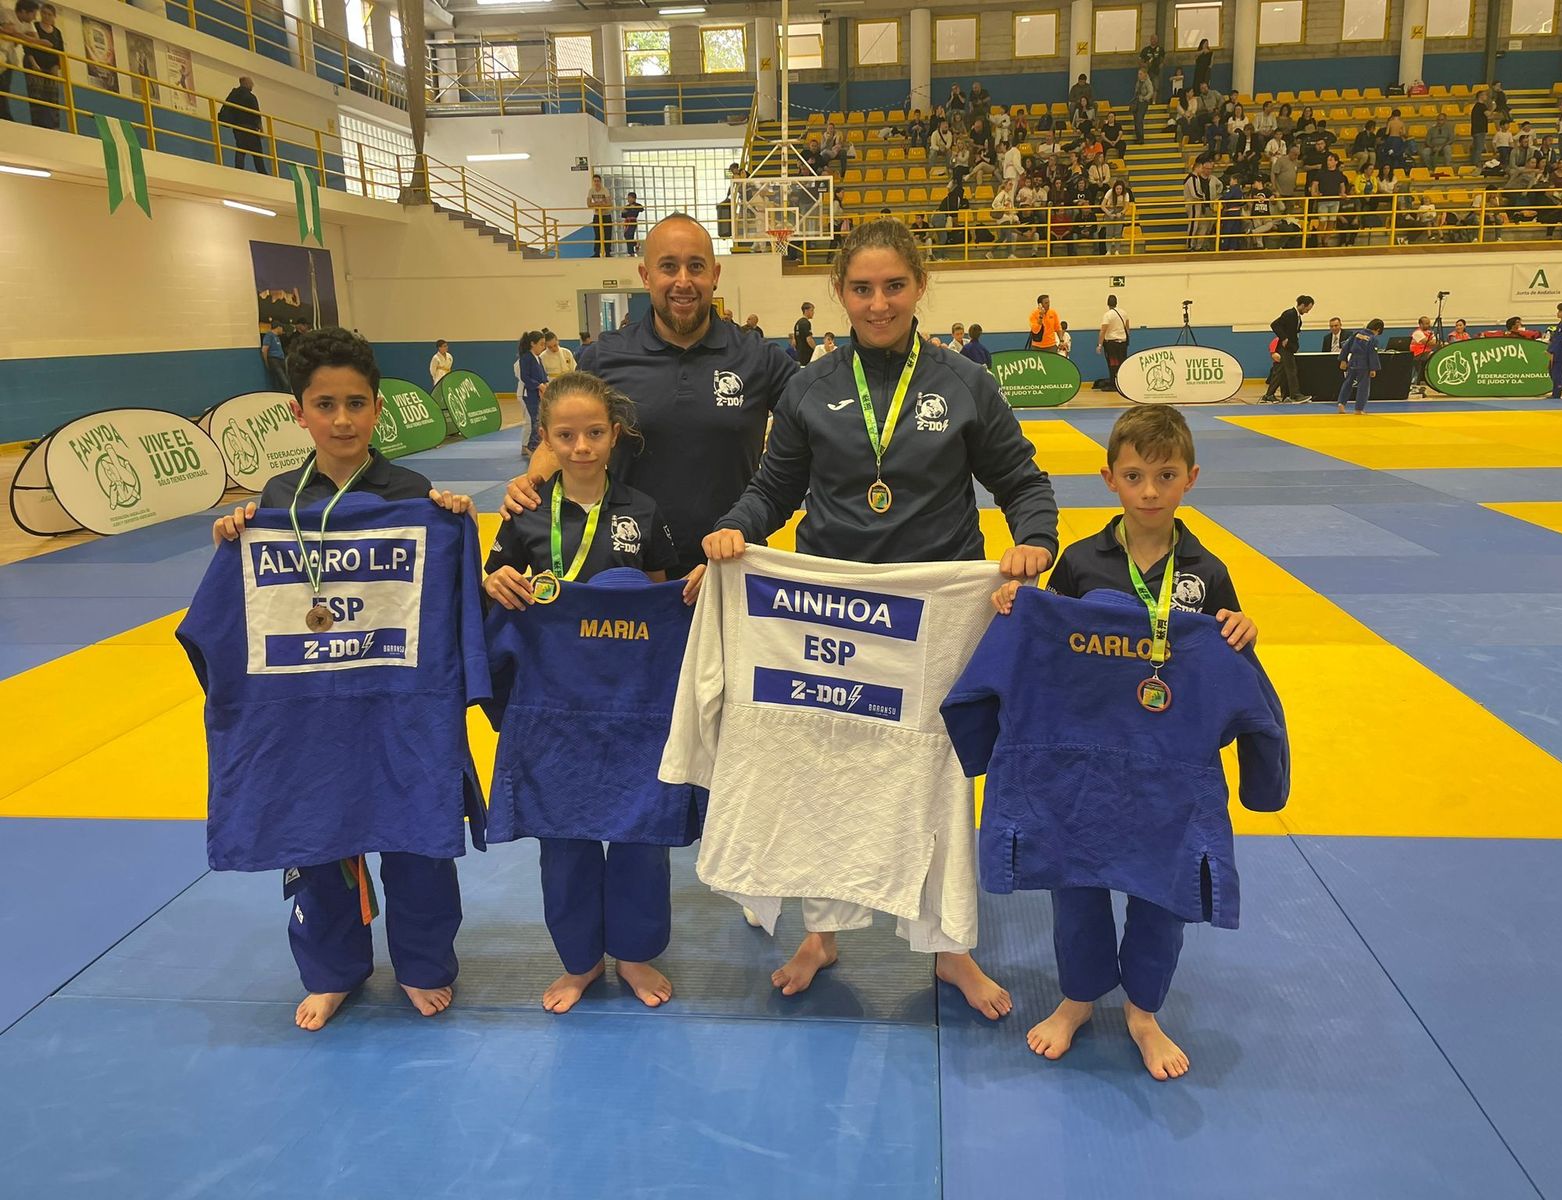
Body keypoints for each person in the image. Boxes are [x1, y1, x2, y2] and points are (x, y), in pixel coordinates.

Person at [699, 217, 1058, 1019]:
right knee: (824, 772)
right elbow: (773, 491)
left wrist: (1034, 543)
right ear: (838, 294)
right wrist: (736, 526)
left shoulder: (966, 383)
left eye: (894, 284)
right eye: (861, 287)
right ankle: (822, 933)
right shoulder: (810, 386)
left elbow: (1024, 484)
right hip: (834, 619)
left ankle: (950, 951)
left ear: (920, 286)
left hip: (933, 625)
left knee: (934, 779)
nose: (878, 301)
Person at [206, 327, 477, 1032]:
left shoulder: (411, 493)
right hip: (306, 706)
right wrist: (238, 536)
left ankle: (422, 964)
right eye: (325, 405)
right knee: (313, 837)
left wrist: (454, 524)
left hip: (396, 703)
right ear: (298, 413)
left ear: (379, 408)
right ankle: (333, 971)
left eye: (357, 403)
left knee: (416, 833)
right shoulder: (273, 502)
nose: (343, 419)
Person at [988, 404, 1259, 1078]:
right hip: (1085, 757)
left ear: (1190, 478)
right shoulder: (1080, 563)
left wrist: (1242, 628)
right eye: (1134, 475)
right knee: (1074, 877)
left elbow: (1227, 648)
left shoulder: (1208, 569)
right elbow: (1050, 648)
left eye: (1165, 475)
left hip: (1168, 764)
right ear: (1108, 477)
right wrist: (1015, 611)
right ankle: (1078, 997)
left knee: (1163, 889)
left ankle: (1143, 1010)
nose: (1148, 491)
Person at [481, 371, 680, 1011]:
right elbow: (496, 583)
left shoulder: (644, 510)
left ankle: (636, 956)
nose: (582, 446)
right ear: (546, 440)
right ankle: (580, 962)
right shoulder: (525, 515)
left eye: (595, 433)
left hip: (630, 705)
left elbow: (656, 600)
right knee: (561, 836)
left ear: (614, 436)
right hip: (554, 705)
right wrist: (499, 582)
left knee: (638, 831)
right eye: (566, 435)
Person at [503, 214, 797, 589]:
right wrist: (530, 484)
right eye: (668, 267)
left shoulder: (758, 358)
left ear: (715, 274)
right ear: (646, 276)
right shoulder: (605, 357)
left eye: (696, 267)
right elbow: (559, 436)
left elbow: (817, 423)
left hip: (728, 566)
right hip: (627, 575)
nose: (683, 281)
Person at [1262, 295, 1314, 402]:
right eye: (1307, 309)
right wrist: (1284, 338)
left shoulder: (1297, 316)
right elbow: (1275, 324)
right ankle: (1295, 394)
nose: (1308, 311)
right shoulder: (1290, 313)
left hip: (1290, 347)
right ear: (1302, 305)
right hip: (1285, 348)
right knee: (1292, 371)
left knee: (1281, 371)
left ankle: (1269, 395)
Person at [1, 0, 44, 124]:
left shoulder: (27, 23)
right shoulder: (7, 13)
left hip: (9, 57)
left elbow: (35, 39)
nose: (35, 17)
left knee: (4, 88)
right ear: (24, 11)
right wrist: (21, 36)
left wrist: (19, 36)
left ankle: (4, 115)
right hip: (2, 51)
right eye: (33, 14)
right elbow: (9, 31)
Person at [21, 2, 61, 128]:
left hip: (50, 68)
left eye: (49, 14)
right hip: (35, 65)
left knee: (52, 98)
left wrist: (56, 66)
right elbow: (28, 47)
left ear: (54, 17)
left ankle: (53, 126)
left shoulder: (57, 32)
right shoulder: (34, 26)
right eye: (44, 13)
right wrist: (33, 63)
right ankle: (37, 125)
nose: (46, 16)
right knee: (36, 96)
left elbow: (59, 52)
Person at [218, 76, 267, 173]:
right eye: (251, 83)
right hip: (250, 128)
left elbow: (226, 109)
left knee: (241, 147)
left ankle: (239, 169)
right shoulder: (251, 97)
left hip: (238, 128)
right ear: (246, 83)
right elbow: (256, 114)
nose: (252, 85)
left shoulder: (233, 95)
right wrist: (261, 129)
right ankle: (262, 172)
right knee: (257, 152)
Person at [1336, 319, 1384, 414]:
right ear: (1378, 330)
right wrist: (1373, 368)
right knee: (1363, 386)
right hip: (1364, 364)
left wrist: (1343, 359)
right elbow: (1372, 354)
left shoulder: (1357, 334)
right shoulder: (1373, 339)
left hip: (1353, 361)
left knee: (1348, 383)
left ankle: (1341, 404)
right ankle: (1359, 409)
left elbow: (1346, 346)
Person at [517, 330, 549, 454]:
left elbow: (542, 374)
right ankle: (531, 446)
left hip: (539, 393)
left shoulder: (538, 358)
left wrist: (545, 384)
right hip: (529, 394)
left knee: (539, 419)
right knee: (533, 420)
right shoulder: (526, 358)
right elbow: (525, 377)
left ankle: (536, 444)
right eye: (541, 344)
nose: (543, 347)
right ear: (532, 344)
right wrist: (538, 386)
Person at [1097, 294, 1130, 391]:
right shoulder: (1124, 313)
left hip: (1111, 344)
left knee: (1112, 363)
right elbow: (1127, 328)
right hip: (1123, 343)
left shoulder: (1107, 315)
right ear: (1116, 302)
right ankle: (1122, 383)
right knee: (1122, 363)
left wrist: (1099, 344)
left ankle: (1113, 384)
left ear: (1108, 303)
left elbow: (1103, 331)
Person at [1409, 316, 1438, 394]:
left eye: (1429, 323)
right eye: (1426, 323)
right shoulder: (1417, 333)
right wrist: (1432, 342)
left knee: (1435, 355)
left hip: (1426, 353)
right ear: (1420, 324)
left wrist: (1433, 342)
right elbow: (1428, 342)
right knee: (1433, 355)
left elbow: (1435, 342)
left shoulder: (1430, 332)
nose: (1428, 325)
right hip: (1417, 354)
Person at [260, 319, 290, 391]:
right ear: (278, 327)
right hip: (274, 360)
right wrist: (266, 362)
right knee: (285, 382)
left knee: (282, 381)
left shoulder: (277, 337)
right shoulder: (269, 335)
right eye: (282, 328)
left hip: (280, 360)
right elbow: (264, 349)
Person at [587, 174, 612, 258]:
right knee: (597, 235)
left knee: (607, 234)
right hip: (597, 215)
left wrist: (596, 204)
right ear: (593, 182)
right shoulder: (591, 191)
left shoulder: (605, 190)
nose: (596, 183)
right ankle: (596, 253)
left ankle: (608, 252)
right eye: (595, 181)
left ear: (600, 181)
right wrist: (601, 204)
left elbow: (609, 203)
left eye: (598, 181)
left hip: (606, 215)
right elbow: (589, 204)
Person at [1131, 66, 1155, 144]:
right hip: (1137, 101)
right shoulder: (1138, 81)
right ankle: (1138, 137)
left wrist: (1145, 98)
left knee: (1139, 119)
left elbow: (1151, 92)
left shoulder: (1148, 82)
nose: (1139, 75)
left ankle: (1141, 138)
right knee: (1136, 119)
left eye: (1140, 74)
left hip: (1143, 102)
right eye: (1138, 74)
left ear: (1145, 74)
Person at [620, 191, 644, 256]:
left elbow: (641, 209)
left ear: (634, 198)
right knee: (626, 235)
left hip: (633, 221)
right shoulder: (627, 206)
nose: (628, 199)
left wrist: (634, 207)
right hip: (627, 222)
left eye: (630, 198)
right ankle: (635, 244)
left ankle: (631, 252)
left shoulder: (637, 205)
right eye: (628, 198)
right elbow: (623, 214)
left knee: (629, 235)